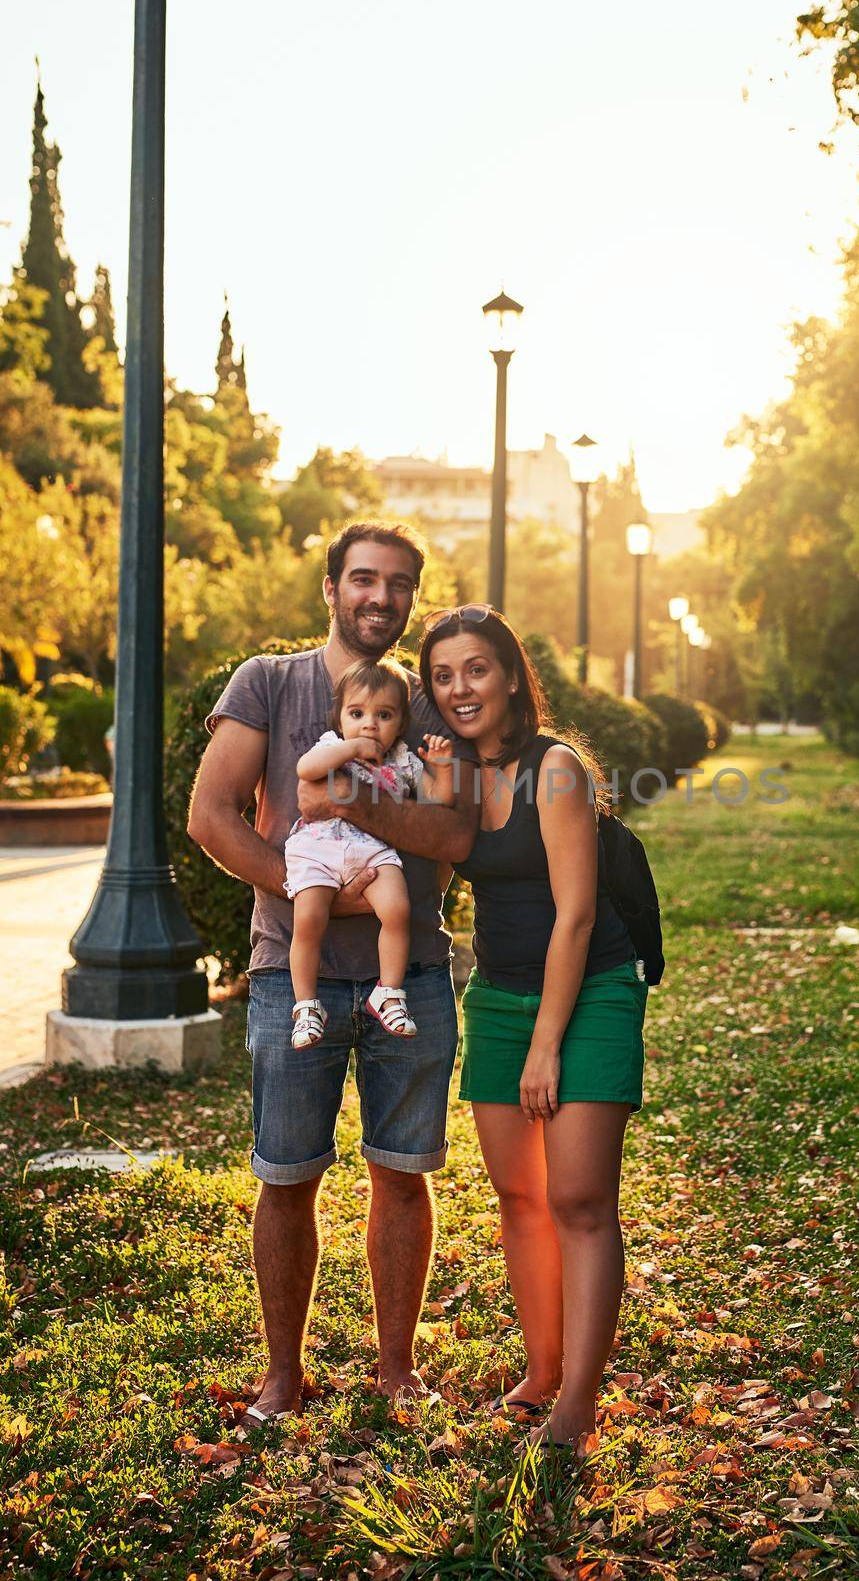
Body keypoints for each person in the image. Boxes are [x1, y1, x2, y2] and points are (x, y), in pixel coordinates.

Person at [187, 522, 479, 1422]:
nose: (378, 597)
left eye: (396, 584)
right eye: (361, 579)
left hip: (411, 973)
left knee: (403, 1171)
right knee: (286, 1173)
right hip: (291, 974)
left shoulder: (428, 705)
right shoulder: (267, 683)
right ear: (329, 588)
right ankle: (283, 1374)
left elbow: (455, 838)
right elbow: (211, 813)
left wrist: (350, 804)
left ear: (411, 596)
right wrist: (305, 887)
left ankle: (397, 1369)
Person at [419, 604, 649, 1454]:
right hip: (498, 996)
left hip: (589, 993)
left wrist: (548, 1042)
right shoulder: (452, 773)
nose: (459, 689)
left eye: (475, 669)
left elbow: (578, 915)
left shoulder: (557, 770)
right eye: (442, 675)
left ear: (511, 675)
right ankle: (542, 1369)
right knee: (519, 1200)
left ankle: (577, 1407)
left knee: (580, 1201)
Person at [287, 657, 424, 1046]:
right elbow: (306, 768)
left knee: (398, 909)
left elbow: (438, 797)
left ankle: (389, 993)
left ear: (400, 723)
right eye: (357, 712)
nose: (370, 724)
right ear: (340, 718)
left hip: (372, 849)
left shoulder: (402, 759)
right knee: (309, 919)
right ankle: (307, 1005)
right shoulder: (333, 745)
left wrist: (444, 768)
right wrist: (350, 749)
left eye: (384, 715)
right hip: (320, 846)